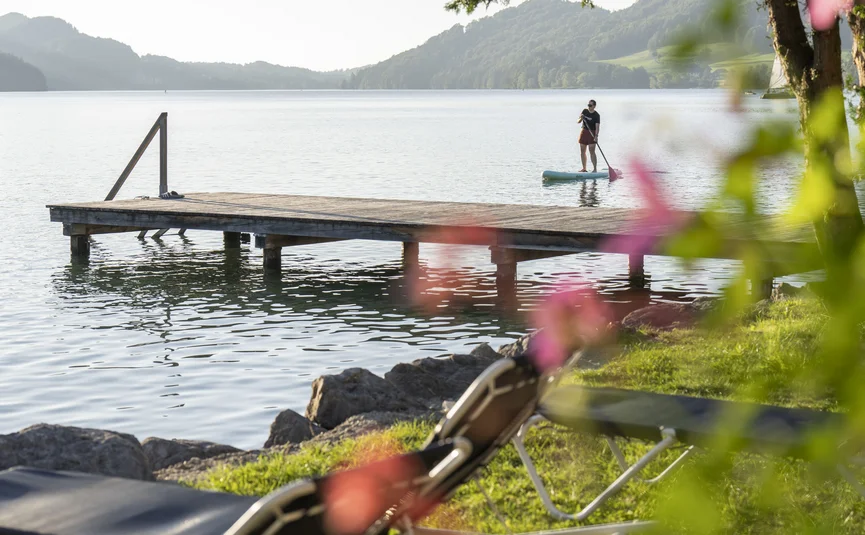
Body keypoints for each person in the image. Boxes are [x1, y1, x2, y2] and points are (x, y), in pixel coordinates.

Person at [577, 99, 601, 173]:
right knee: (582, 151)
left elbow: (597, 127)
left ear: (594, 106)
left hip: (592, 133)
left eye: (590, 105)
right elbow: (578, 121)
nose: (589, 106)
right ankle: (584, 168)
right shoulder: (585, 111)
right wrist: (581, 117)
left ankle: (594, 169)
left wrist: (596, 136)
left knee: (592, 151)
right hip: (584, 132)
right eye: (588, 105)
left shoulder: (597, 115)